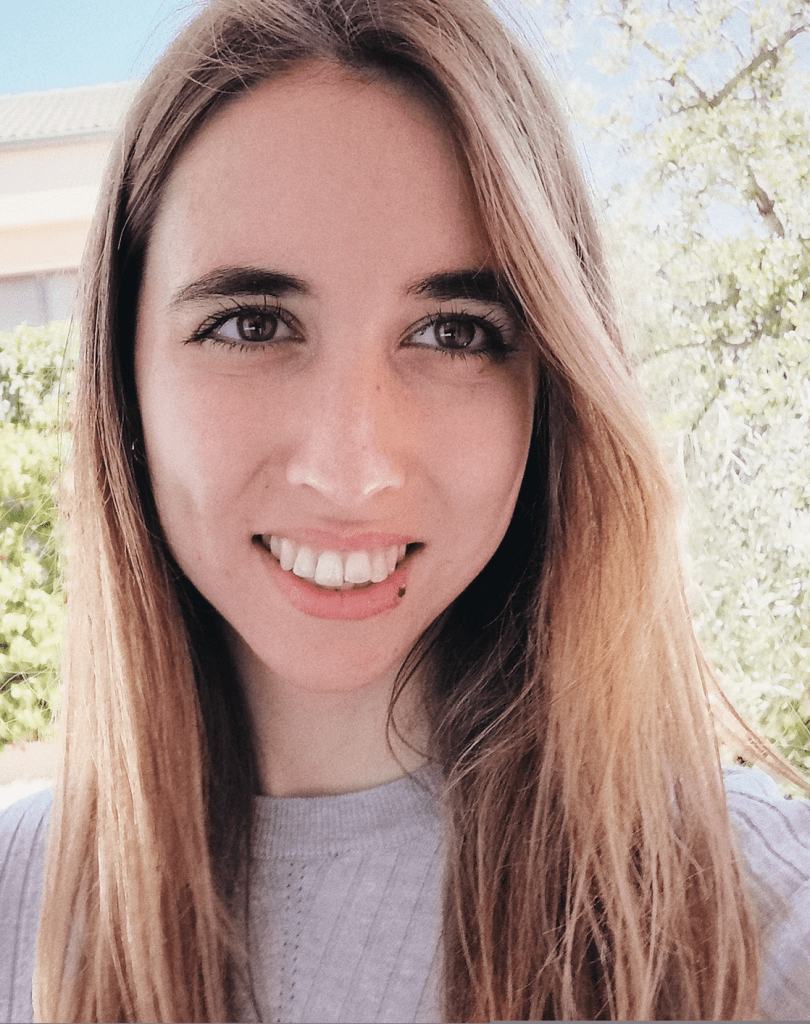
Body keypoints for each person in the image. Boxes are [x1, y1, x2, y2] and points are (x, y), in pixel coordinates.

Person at [1, 0, 809, 1021]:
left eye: (455, 332)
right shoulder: (18, 901)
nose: (351, 471)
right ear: (125, 378)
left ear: (553, 384)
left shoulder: (744, 911)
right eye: (251, 325)